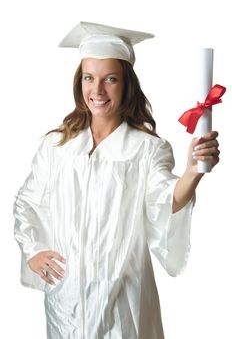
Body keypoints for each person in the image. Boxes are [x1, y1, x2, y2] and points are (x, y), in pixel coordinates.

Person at [14, 22, 220, 339]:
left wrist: (193, 171)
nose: (97, 90)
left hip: (123, 298)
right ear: (78, 83)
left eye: (110, 79)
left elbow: (164, 200)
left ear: (126, 85)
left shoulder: (147, 149)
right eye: (89, 78)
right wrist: (33, 250)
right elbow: (28, 202)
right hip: (66, 300)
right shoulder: (58, 146)